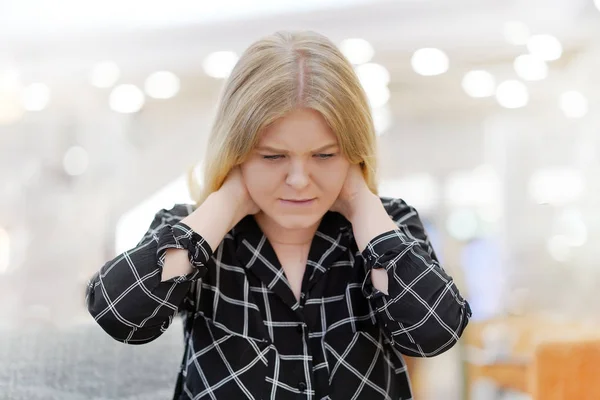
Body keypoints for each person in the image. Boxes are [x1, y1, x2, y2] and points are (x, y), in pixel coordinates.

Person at [86, 30, 471, 400]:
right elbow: (121, 316)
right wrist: (226, 201)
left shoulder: (387, 226)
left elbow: (433, 333)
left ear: (354, 153)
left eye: (325, 155)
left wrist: (361, 201)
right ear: (235, 152)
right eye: (273, 157)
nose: (300, 180)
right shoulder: (195, 234)